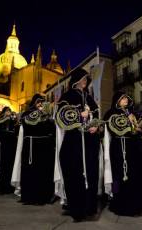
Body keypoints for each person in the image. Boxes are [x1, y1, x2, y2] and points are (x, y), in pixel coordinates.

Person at [55, 68, 101, 222]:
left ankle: (89, 207)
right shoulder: (67, 97)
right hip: (74, 140)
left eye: (86, 79)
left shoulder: (89, 97)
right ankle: (77, 209)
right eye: (82, 79)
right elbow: (61, 115)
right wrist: (79, 115)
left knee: (91, 172)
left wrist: (95, 125)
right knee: (74, 173)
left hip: (89, 140)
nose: (85, 81)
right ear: (76, 80)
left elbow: (97, 115)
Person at [103, 91, 142, 216]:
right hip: (118, 148)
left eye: (127, 98)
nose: (126, 100)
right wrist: (128, 123)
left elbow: (135, 131)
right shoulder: (111, 113)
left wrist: (138, 127)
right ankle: (121, 205)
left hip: (132, 148)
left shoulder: (131, 113)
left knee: (134, 175)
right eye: (123, 98)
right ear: (117, 100)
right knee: (120, 175)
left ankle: (135, 204)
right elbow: (114, 129)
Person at [12, 94, 55, 205]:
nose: (40, 104)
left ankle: (43, 197)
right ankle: (29, 197)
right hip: (31, 146)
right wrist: (39, 113)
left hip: (44, 147)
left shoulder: (47, 115)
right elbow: (26, 123)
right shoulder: (27, 113)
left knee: (44, 172)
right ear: (34, 103)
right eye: (38, 102)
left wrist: (48, 117)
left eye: (42, 102)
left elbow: (51, 129)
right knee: (30, 172)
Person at [0, 107, 18, 194]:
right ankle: (0, 186)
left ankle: (9, 187)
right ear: (3, 112)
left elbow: (15, 132)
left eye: (9, 111)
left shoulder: (13, 121)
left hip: (10, 146)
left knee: (9, 165)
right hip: (1, 146)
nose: (8, 113)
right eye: (7, 111)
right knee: (0, 166)